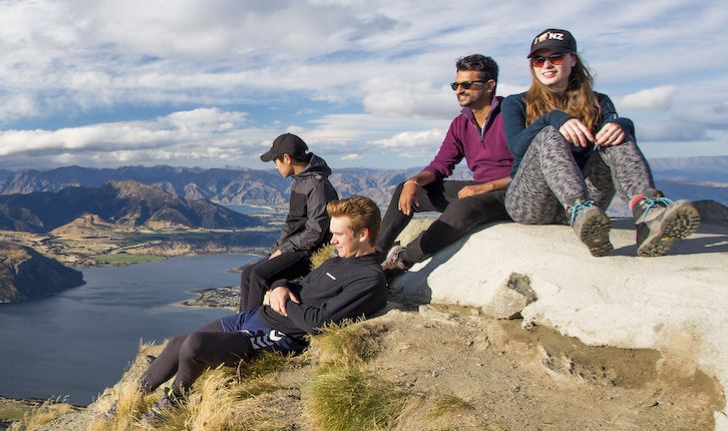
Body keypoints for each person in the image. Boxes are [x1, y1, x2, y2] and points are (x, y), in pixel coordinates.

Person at [138, 195, 387, 412]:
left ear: (363, 234)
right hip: (257, 317)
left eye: (338, 234)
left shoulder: (368, 280)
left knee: (195, 345)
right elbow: (300, 285)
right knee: (177, 343)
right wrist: (279, 286)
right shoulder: (338, 260)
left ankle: (175, 399)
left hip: (278, 336)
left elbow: (317, 323)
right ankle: (135, 395)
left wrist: (282, 301)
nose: (331, 240)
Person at [502, 28, 699, 257]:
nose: (546, 65)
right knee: (549, 134)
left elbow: (617, 141)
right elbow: (516, 147)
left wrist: (623, 124)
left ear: (572, 59)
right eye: (539, 60)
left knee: (616, 133)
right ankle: (577, 207)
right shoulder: (516, 103)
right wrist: (552, 118)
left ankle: (648, 213)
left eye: (555, 58)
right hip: (531, 204)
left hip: (590, 207)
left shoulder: (599, 102)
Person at [378, 54, 514, 272]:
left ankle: (403, 260)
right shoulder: (461, 123)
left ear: (490, 86)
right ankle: (372, 257)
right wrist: (413, 182)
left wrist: (486, 187)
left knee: (464, 207)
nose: (459, 90)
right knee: (407, 190)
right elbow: (441, 165)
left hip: (512, 193)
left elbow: (530, 170)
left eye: (467, 84)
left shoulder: (512, 113)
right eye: (456, 85)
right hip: (480, 192)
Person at [238, 133, 338, 313]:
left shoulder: (317, 186)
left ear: (287, 158)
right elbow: (292, 224)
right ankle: (242, 321)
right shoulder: (300, 182)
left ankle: (251, 329)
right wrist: (276, 250)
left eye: (275, 161)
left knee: (259, 275)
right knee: (247, 274)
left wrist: (283, 250)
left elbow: (315, 232)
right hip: (295, 248)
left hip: (308, 251)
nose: (276, 166)